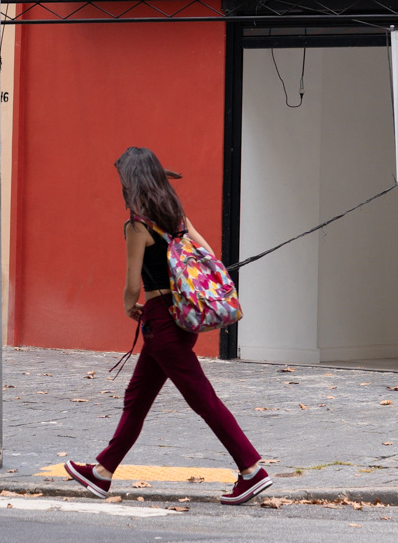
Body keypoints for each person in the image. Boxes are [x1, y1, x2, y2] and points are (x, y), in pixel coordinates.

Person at [65, 147, 272, 506]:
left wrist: (130, 307)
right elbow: (209, 255)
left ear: (131, 181)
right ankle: (102, 473)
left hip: (161, 320)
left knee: (202, 398)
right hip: (183, 320)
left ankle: (252, 469)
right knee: (137, 398)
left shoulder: (137, 226)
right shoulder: (177, 217)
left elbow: (133, 285)